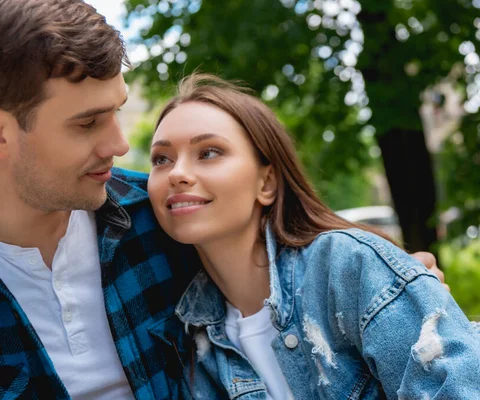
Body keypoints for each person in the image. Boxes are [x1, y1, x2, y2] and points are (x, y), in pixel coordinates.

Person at [0, 1, 445, 399]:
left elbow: (298, 261)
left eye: (117, 110)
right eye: (87, 123)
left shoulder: (165, 220)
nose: (120, 143)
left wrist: (396, 277)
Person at [146, 74, 480, 399]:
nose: (177, 174)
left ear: (267, 183)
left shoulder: (348, 267)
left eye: (208, 152)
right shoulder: (190, 340)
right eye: (161, 159)